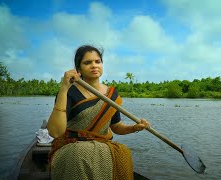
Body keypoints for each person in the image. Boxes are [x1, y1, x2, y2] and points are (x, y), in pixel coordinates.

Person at [47, 45, 150, 180]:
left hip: (102, 145)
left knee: (123, 152)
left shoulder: (111, 94)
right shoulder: (69, 92)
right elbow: (55, 132)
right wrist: (64, 88)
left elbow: (116, 126)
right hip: (72, 146)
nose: (94, 65)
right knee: (80, 153)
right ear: (78, 68)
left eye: (97, 61)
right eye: (87, 62)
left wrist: (134, 128)